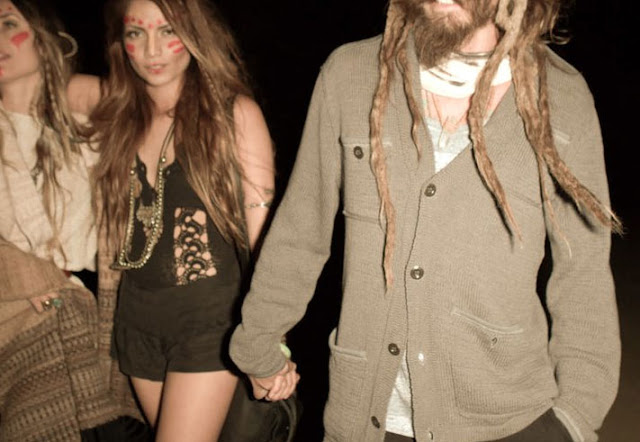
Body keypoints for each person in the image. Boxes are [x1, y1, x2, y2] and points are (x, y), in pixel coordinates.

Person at [229, 0, 622, 441]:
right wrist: (259, 341)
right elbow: (301, 231)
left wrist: (574, 417)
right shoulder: (351, 74)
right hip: (366, 419)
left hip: (511, 419)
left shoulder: (562, 95)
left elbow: (582, 273)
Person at [68, 0, 277, 440]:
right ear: (120, 42)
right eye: (136, 33)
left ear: (194, 34)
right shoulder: (118, 112)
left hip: (211, 318)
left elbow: (263, 245)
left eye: (168, 31)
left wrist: (268, 337)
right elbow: (41, 86)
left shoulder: (233, 114)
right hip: (136, 319)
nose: (152, 50)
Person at [0, 0, 146, 441]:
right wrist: (30, 276)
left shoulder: (88, 118)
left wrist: (75, 89)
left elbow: (158, 105)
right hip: (17, 333)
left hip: (103, 325)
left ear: (42, 34)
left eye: (7, 24)